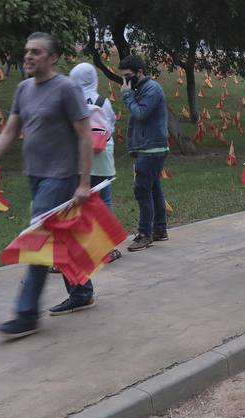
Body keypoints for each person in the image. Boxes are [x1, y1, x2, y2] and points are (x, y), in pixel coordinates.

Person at [0, 33, 94, 339]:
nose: (28, 57)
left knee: (36, 240)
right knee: (58, 237)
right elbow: (10, 131)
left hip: (60, 176)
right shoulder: (23, 89)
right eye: (26, 52)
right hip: (34, 175)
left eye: (36, 52)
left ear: (51, 58)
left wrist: (84, 182)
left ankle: (26, 314)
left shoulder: (66, 88)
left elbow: (85, 135)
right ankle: (82, 289)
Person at [70, 63, 121, 262]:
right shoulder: (102, 101)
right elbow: (110, 126)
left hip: (79, 157)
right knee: (104, 201)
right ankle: (106, 249)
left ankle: (80, 247)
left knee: (79, 203)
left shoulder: (72, 100)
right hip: (102, 157)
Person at [119, 55, 170, 251]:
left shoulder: (152, 89)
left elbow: (141, 113)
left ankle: (144, 234)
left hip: (152, 148)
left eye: (129, 76)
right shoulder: (140, 89)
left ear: (140, 72)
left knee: (141, 189)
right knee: (154, 188)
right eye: (123, 78)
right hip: (147, 147)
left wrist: (126, 95)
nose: (126, 81)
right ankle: (159, 229)